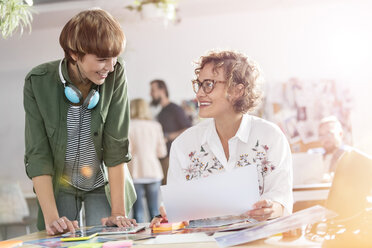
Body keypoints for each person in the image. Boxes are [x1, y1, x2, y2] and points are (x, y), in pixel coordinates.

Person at [23, 8, 137, 235]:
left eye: (114, 57)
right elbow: (38, 154)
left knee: (111, 238)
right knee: (59, 237)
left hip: (103, 183)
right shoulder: (38, 81)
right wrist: (52, 219)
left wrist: (118, 212)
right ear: (75, 54)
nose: (111, 66)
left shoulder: (115, 74)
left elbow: (116, 144)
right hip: (61, 183)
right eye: (103, 59)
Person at [151, 50, 293, 227]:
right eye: (199, 84)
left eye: (209, 84)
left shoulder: (271, 136)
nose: (199, 94)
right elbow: (177, 212)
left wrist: (271, 208)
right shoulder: (184, 144)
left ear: (237, 90)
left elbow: (282, 197)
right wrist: (168, 215)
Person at [128, 99, 167, 222]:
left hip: (135, 172)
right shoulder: (156, 126)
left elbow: (127, 151)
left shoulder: (128, 126)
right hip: (153, 171)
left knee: (138, 211)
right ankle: (157, 239)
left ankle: (139, 239)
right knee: (155, 210)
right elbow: (162, 153)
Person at [150, 79, 192, 184]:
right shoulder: (160, 113)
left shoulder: (175, 109)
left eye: (153, 90)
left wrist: (168, 136)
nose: (150, 94)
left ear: (162, 90)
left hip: (172, 158)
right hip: (163, 156)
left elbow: (188, 129)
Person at [308, 116, 352, 182]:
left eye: (329, 133)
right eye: (321, 135)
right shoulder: (315, 155)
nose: (325, 138)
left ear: (340, 134)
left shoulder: (350, 155)